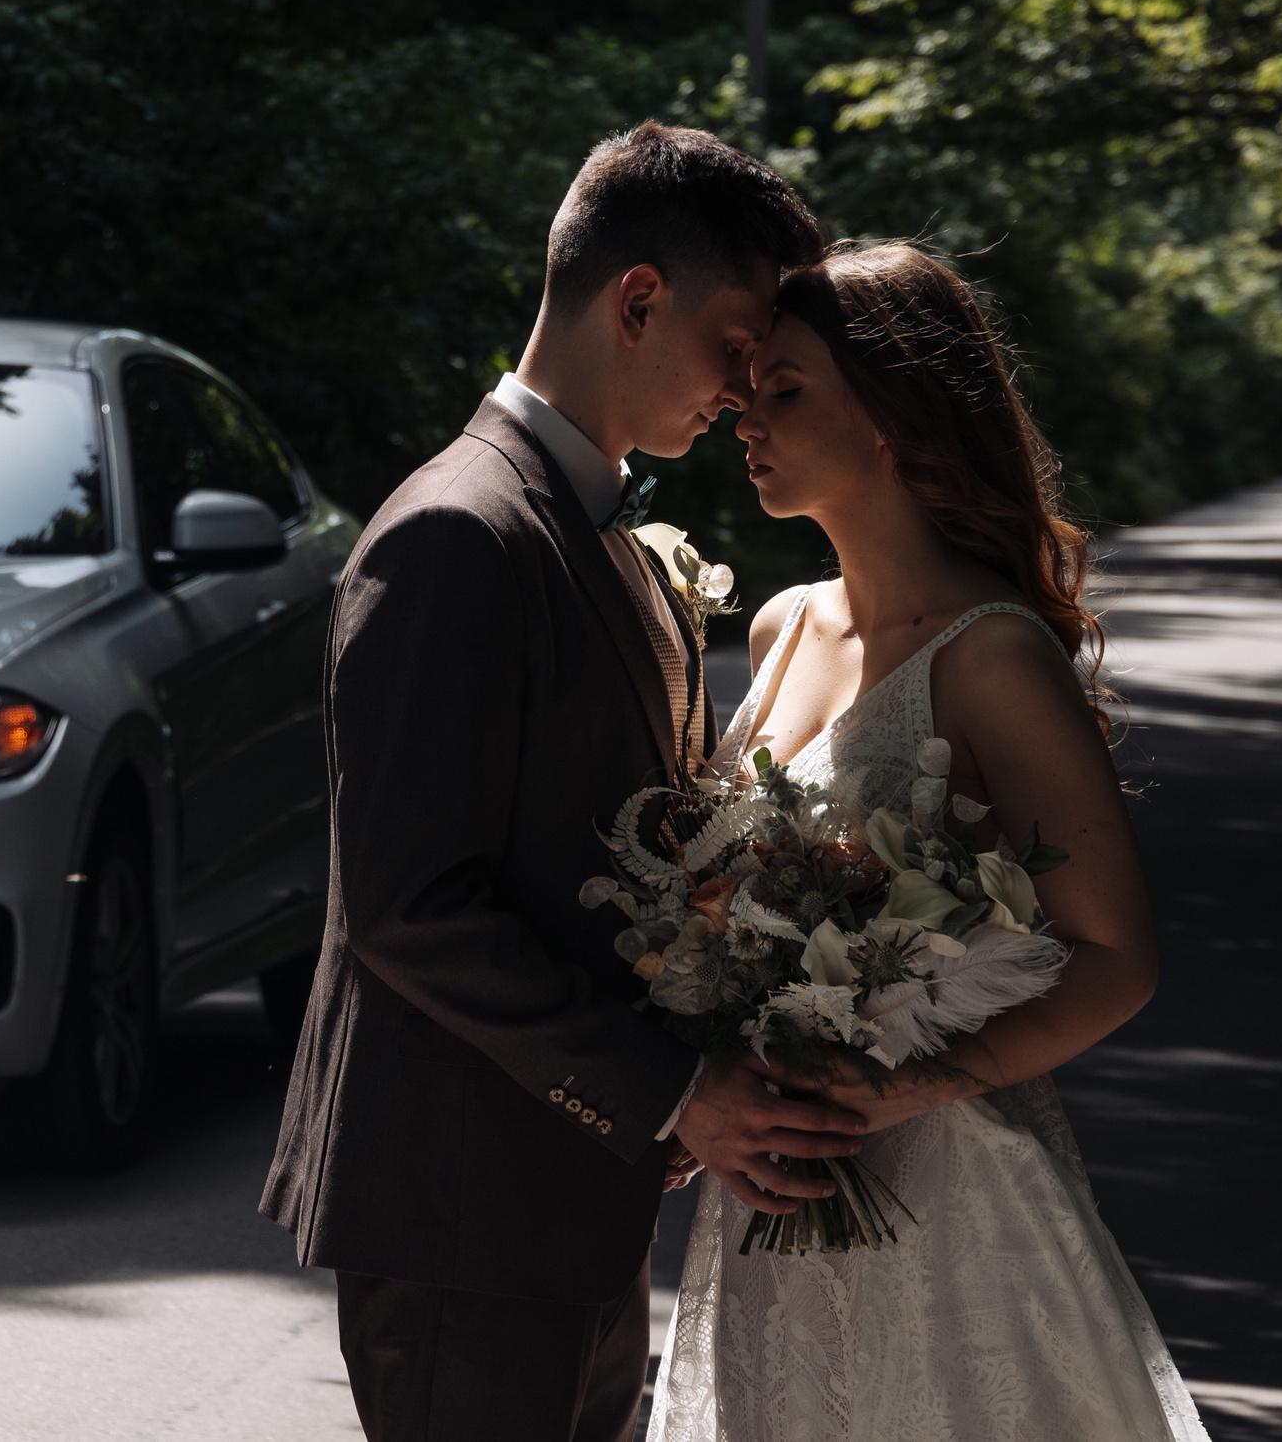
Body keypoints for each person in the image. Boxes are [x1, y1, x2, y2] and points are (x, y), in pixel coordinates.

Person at [260, 121, 853, 1442]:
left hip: (570, 1191)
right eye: (736, 343)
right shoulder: (454, 534)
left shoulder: (602, 536)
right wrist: (669, 1087)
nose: (745, 390)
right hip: (461, 1207)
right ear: (637, 301)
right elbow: (410, 903)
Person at [649, 242, 1210, 1440]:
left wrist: (896, 1089)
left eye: (783, 387)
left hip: (944, 1196)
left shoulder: (992, 653)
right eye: (745, 388)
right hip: (772, 1194)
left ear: (895, 415)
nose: (745, 414)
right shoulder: (782, 627)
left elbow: (1116, 958)